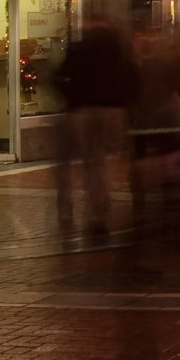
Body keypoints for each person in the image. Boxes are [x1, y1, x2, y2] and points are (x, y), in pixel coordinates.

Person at [53, 17, 141, 232]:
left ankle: (66, 209)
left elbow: (60, 76)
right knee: (96, 162)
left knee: (72, 161)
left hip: (82, 109)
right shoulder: (119, 49)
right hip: (111, 110)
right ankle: (97, 212)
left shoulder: (79, 47)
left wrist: (71, 98)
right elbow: (133, 78)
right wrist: (125, 106)